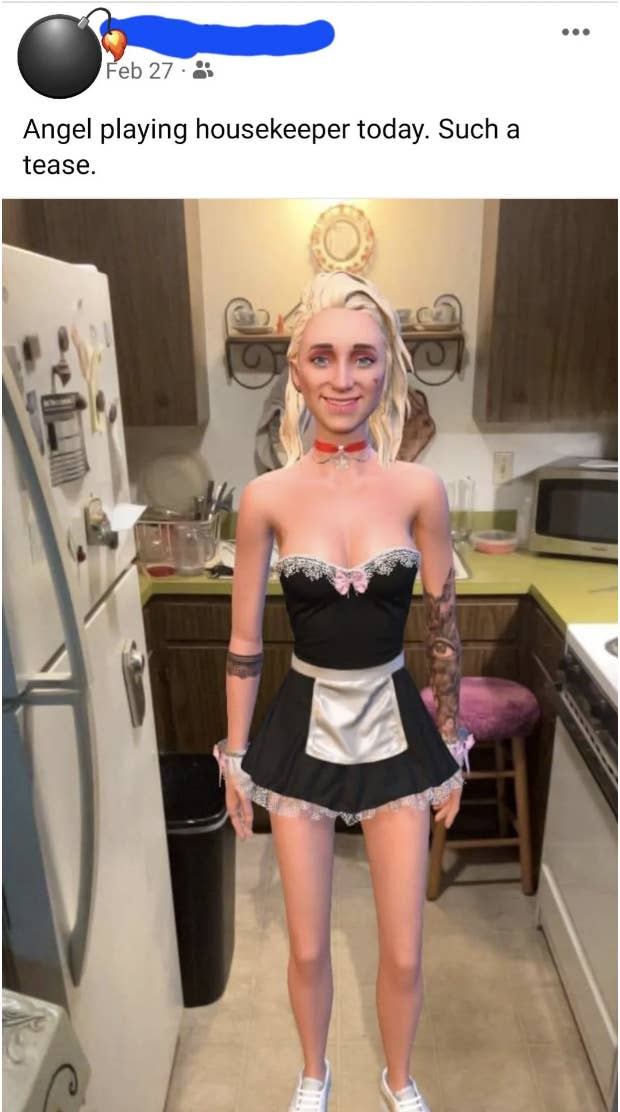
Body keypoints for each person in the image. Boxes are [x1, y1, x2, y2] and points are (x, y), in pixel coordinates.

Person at [214, 271, 474, 1112]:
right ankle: (313, 1074)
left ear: (387, 368)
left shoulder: (420, 489)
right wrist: (235, 756)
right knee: (306, 945)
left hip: (395, 720)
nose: (342, 377)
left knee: (404, 950)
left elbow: (442, 627)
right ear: (295, 368)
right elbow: (244, 643)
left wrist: (454, 737)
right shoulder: (265, 498)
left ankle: (399, 1081)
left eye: (363, 357)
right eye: (322, 357)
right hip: (303, 723)